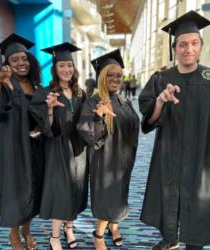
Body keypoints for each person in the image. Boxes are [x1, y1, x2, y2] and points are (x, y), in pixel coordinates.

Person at [138, 11, 210, 250]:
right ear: (175, 48)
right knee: (168, 195)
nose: (188, 49)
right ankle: (170, 237)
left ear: (201, 46)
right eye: (182, 44)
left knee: (198, 199)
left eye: (194, 43)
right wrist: (160, 101)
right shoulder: (161, 78)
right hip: (169, 151)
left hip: (201, 151)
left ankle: (194, 243)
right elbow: (149, 121)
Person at [0, 33, 44, 250]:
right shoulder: (4, 82)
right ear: (7, 63)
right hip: (11, 146)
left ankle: (27, 231)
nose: (21, 63)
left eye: (24, 59)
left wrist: (41, 126)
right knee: (15, 191)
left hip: (33, 146)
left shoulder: (34, 84)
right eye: (15, 60)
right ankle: (14, 236)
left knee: (32, 188)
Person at [77, 49, 140, 250]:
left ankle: (114, 226)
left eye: (119, 75)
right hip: (104, 160)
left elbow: (133, 127)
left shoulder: (125, 101)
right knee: (108, 197)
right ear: (101, 77)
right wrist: (98, 118)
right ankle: (99, 234)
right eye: (110, 75)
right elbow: (86, 133)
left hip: (124, 158)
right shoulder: (93, 102)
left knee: (121, 195)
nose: (115, 79)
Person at [29, 42, 88, 250]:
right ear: (55, 69)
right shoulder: (45, 93)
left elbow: (86, 120)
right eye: (62, 65)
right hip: (56, 148)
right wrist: (50, 109)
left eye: (69, 66)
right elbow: (44, 128)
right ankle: (54, 235)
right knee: (60, 190)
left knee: (77, 189)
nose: (66, 70)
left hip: (79, 148)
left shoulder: (80, 93)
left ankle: (69, 228)